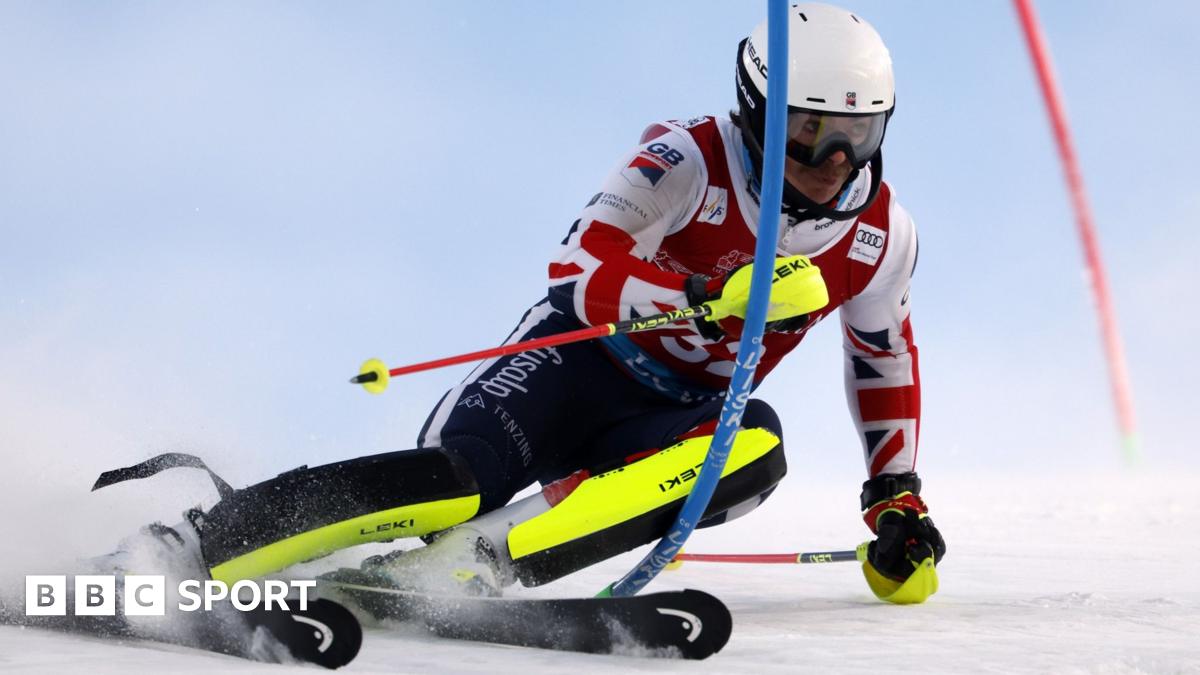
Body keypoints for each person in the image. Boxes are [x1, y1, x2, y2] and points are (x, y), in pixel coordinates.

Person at [99, 2, 944, 600]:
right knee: (455, 482)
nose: (832, 160)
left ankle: (467, 566)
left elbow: (883, 355)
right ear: (759, 109)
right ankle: (193, 545)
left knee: (755, 447)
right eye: (807, 130)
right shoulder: (686, 159)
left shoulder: (884, 233)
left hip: (669, 421)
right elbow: (575, 268)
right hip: (568, 364)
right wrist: (699, 297)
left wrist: (894, 493)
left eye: (856, 136)